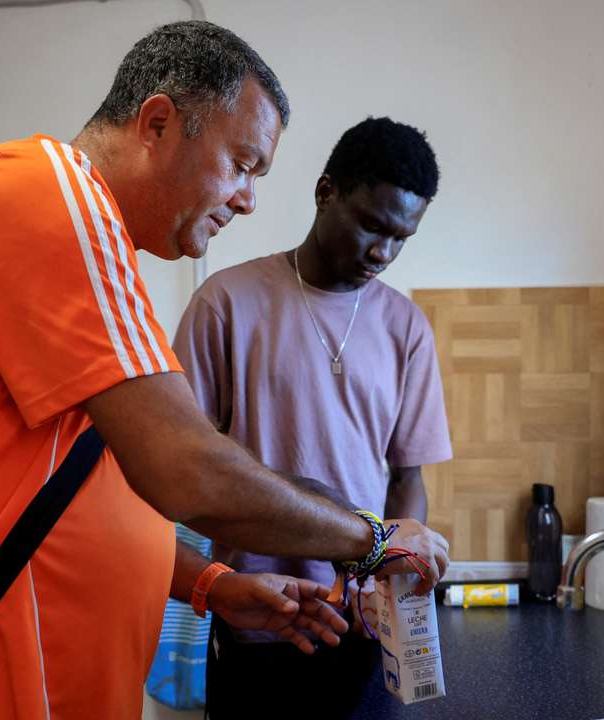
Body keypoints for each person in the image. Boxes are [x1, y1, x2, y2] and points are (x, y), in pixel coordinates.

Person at [0, 22, 447, 719]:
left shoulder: (105, 257)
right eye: (243, 163)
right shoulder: (40, 190)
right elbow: (189, 470)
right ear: (158, 123)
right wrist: (373, 539)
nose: (247, 198)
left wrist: (212, 584)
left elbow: (93, 494)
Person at [172, 117, 452, 717]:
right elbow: (182, 467)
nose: (383, 252)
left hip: (363, 630)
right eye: (372, 226)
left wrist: (394, 575)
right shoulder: (225, 303)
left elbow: (407, 478)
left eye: (401, 238)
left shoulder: (405, 327)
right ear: (326, 192)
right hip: (260, 621)